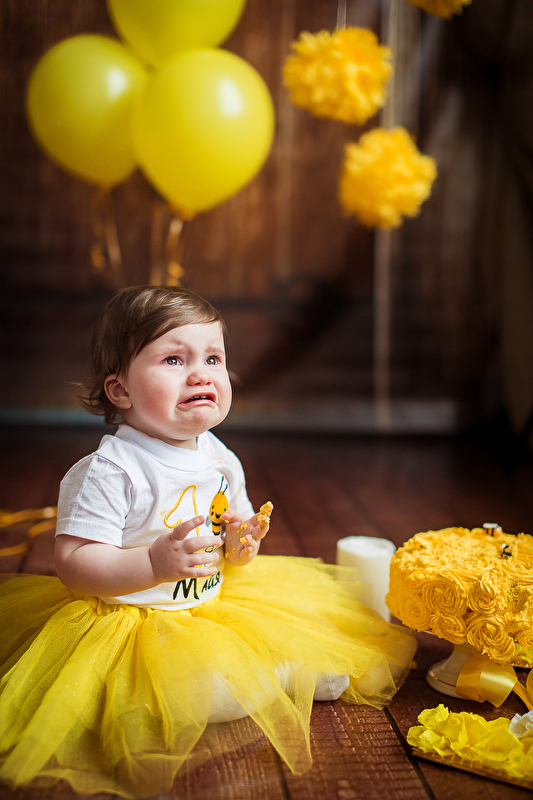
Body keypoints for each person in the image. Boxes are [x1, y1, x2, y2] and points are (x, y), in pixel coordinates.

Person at [0, 286, 416, 798]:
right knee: (185, 692)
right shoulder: (111, 470)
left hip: (212, 607)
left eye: (212, 358)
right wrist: (153, 564)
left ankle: (283, 672)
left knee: (295, 635)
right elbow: (73, 563)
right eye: (174, 359)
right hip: (135, 619)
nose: (200, 374)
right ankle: (271, 680)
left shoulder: (219, 456)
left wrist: (242, 543)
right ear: (120, 390)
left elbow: (233, 531)